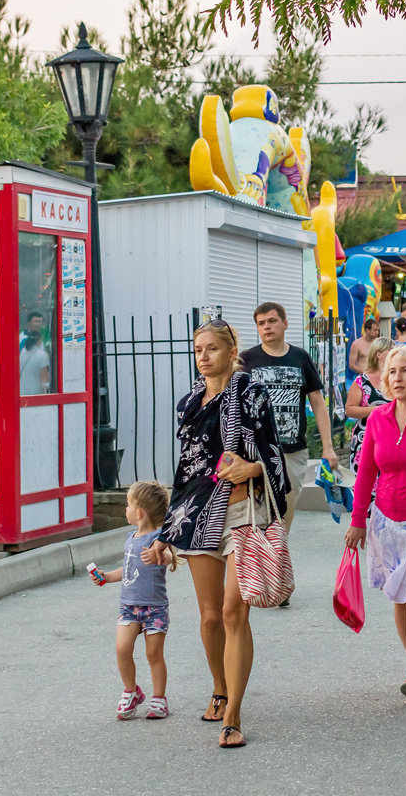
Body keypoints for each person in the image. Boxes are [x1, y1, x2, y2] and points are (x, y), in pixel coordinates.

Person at [149, 318, 289, 748]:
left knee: (233, 613)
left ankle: (234, 714)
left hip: (241, 510)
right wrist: (167, 529)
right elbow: (186, 470)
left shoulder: (250, 393)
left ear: (231, 353)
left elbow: (272, 449)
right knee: (209, 617)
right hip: (196, 516)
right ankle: (219, 685)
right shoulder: (188, 403)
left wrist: (256, 468)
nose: (203, 356)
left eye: (212, 348)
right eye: (198, 349)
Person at [345, 346, 406, 704]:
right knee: (399, 600)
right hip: (386, 521)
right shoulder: (377, 419)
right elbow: (366, 472)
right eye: (392, 372)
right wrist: (357, 521)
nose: (398, 378)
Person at [242, 302, 337, 532]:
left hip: (292, 454)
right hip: (255, 455)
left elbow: (317, 402)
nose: (267, 327)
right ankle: (260, 566)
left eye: (272, 321)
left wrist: (328, 447)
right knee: (255, 522)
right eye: (261, 323)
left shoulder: (300, 357)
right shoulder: (246, 361)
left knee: (283, 522)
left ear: (284, 324)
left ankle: (276, 566)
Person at [96, 481, 175, 720]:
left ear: (140, 512)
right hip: (129, 607)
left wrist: (160, 555)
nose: (125, 509)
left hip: (155, 608)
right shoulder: (130, 538)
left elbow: (170, 556)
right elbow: (129, 568)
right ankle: (131, 691)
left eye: (128, 504)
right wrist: (107, 577)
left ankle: (159, 698)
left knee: (154, 654)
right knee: (122, 649)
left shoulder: (158, 538)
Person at [346, 337, 394, 473]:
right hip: (365, 438)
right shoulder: (362, 381)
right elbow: (349, 410)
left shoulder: (396, 379)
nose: (394, 353)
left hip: (391, 439)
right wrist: (377, 410)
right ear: (379, 354)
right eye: (390, 350)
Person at [19, 330, 50, 395]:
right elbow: (44, 376)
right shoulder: (42, 355)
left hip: (22, 391)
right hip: (36, 392)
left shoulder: (23, 352)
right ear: (39, 341)